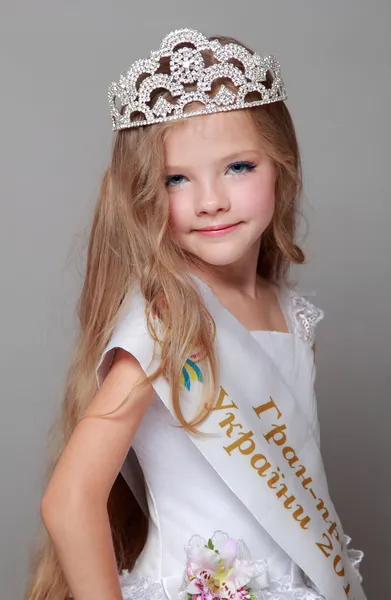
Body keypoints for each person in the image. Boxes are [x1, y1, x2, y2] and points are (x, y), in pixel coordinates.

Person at [25, 28, 366, 600]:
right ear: (144, 195)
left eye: (238, 167)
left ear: (282, 164)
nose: (211, 199)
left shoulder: (291, 313)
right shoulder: (166, 323)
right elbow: (68, 502)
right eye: (176, 179)